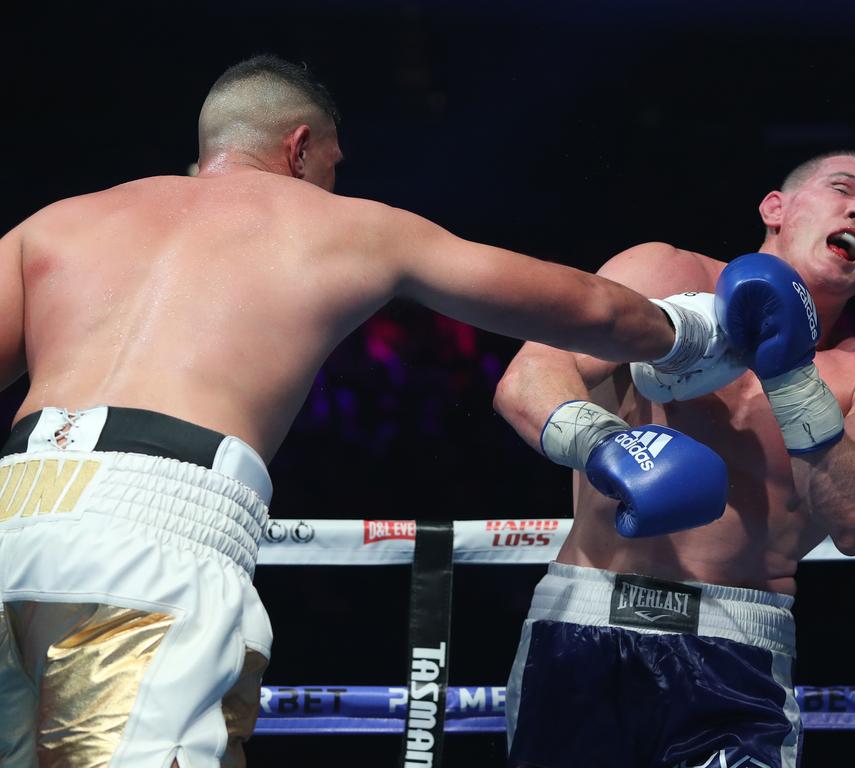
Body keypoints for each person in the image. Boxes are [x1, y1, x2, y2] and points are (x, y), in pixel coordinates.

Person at [0, 54, 728, 767]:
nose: (333, 182)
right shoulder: (342, 226)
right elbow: (586, 306)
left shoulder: (55, 225)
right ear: (299, 148)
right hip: (150, 543)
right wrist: (695, 329)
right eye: (332, 166)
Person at [494, 151, 855, 767]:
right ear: (775, 209)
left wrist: (792, 377)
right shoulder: (664, 272)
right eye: (843, 190)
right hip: (584, 617)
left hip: (736, 647)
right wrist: (606, 444)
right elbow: (531, 376)